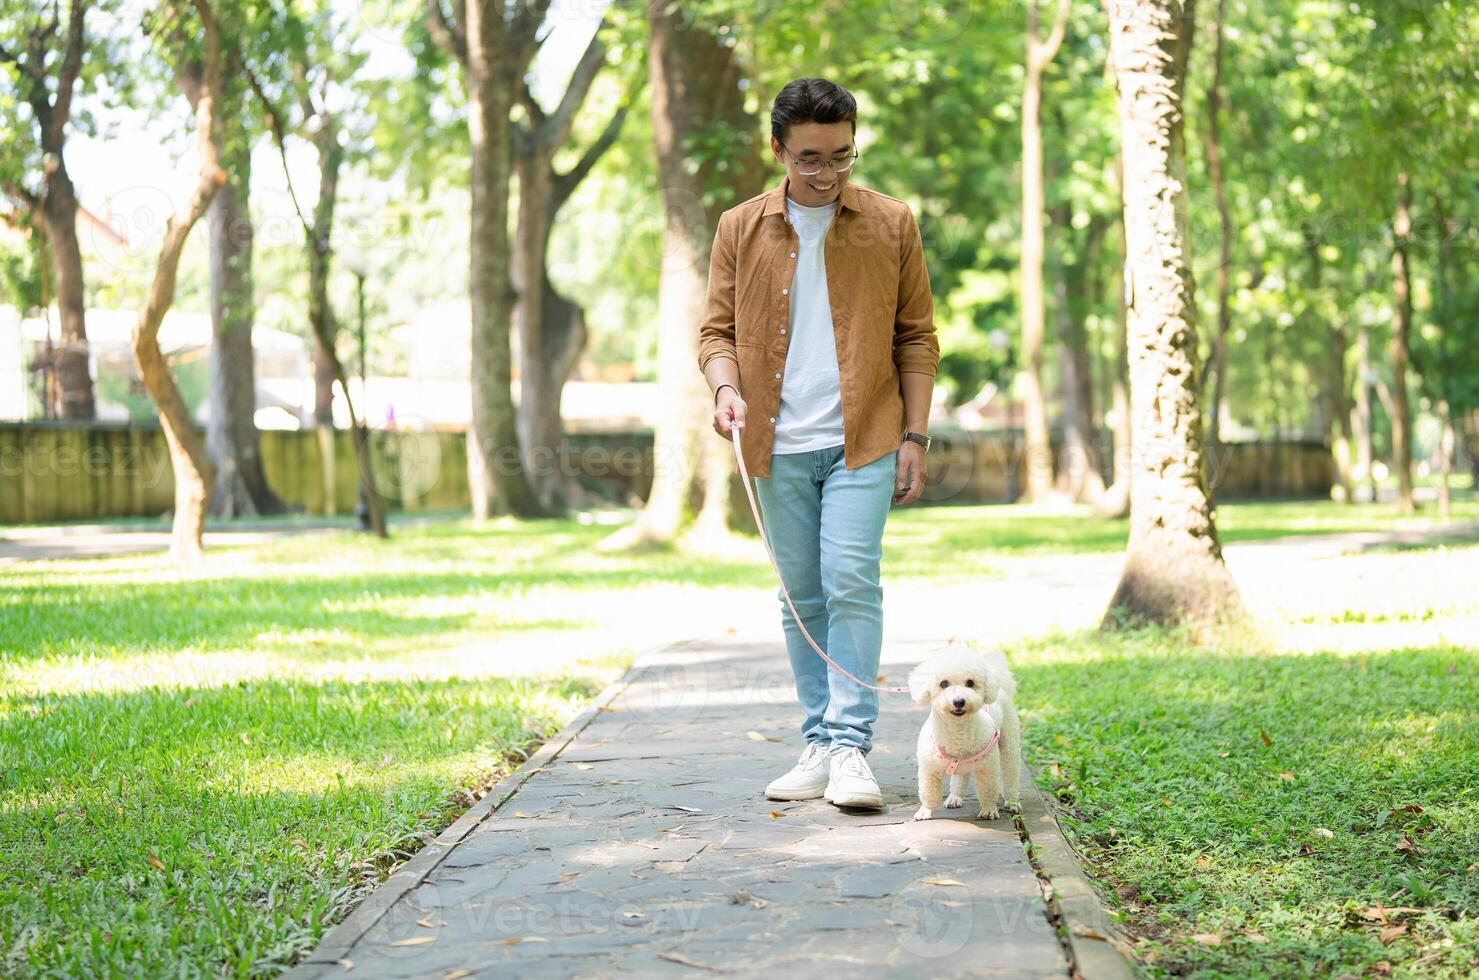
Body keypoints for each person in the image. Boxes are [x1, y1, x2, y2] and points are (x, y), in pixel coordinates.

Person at [696, 77, 940, 810]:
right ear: (777, 150)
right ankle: (816, 741)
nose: (826, 173)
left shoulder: (891, 224)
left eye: (840, 156)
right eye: (809, 158)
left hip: (863, 436)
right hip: (772, 441)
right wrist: (724, 388)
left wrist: (915, 434)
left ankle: (850, 749)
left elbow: (916, 336)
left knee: (850, 581)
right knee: (800, 594)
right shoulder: (739, 228)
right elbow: (714, 332)